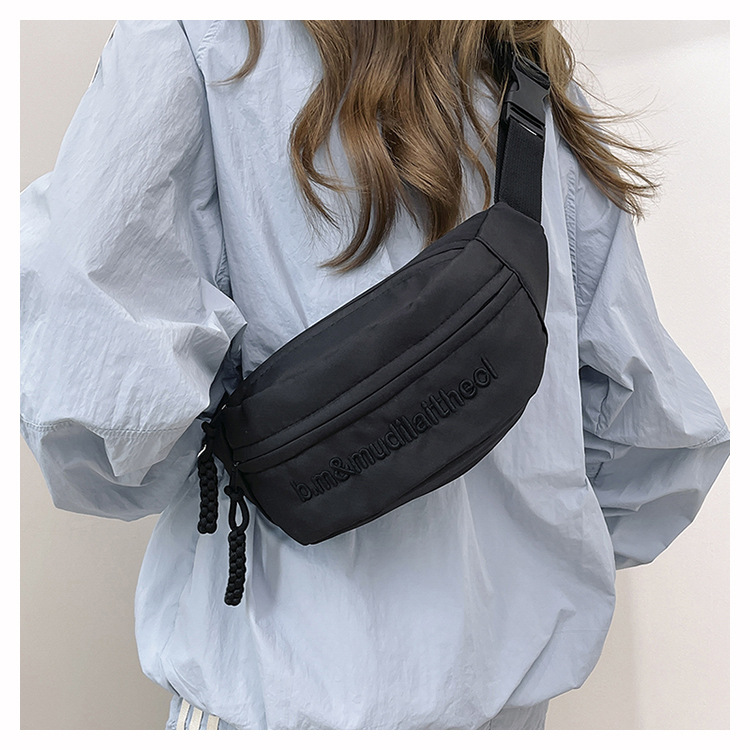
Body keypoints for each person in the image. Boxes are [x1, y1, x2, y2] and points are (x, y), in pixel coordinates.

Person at [20, 20, 729, 731]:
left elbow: (95, 419)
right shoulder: (524, 66)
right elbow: (648, 445)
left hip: (275, 698)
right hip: (505, 716)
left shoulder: (200, 38)